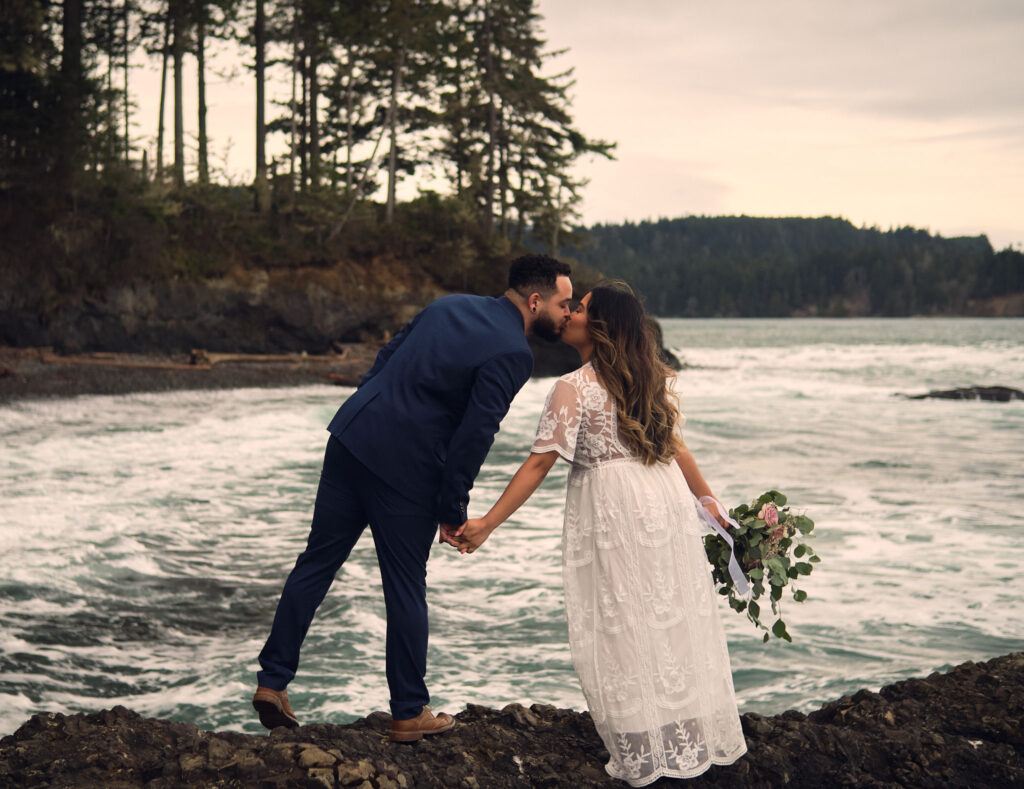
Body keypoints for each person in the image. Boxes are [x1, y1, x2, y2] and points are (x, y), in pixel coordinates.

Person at [252, 254, 573, 742]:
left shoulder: (449, 305)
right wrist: (453, 508)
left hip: (352, 435)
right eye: (563, 303)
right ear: (535, 301)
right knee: (405, 586)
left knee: (316, 562)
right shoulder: (513, 352)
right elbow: (475, 434)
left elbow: (387, 356)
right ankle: (408, 711)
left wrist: (372, 410)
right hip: (406, 468)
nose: (567, 313)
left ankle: (272, 682)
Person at [447, 283, 747, 784]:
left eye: (580, 309)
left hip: (617, 510)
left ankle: (643, 744)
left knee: (620, 621)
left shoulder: (573, 386)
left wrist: (486, 525)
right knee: (667, 614)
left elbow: (540, 464)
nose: (568, 315)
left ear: (600, 326)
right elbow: (680, 452)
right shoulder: (645, 378)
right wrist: (711, 507)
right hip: (664, 501)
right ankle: (681, 733)